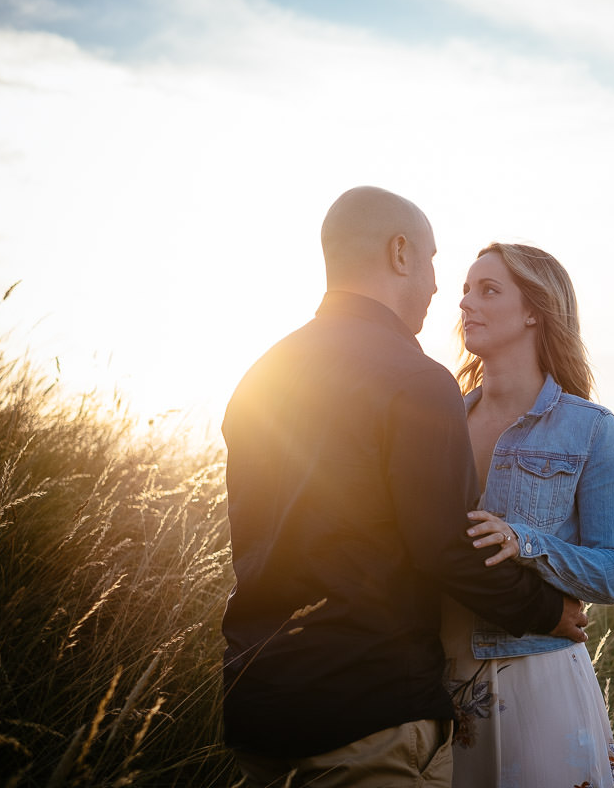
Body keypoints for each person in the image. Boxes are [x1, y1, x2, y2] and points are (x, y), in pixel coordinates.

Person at [219, 188, 589, 788]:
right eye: (433, 261)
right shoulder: (416, 378)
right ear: (399, 253)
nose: (441, 287)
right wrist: (546, 610)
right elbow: (444, 544)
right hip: (370, 712)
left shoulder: (262, 374)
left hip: (258, 705)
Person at [442, 242, 614, 787]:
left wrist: (525, 541)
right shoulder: (440, 418)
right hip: (433, 676)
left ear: (534, 310)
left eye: (487, 290)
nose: (465, 303)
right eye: (464, 290)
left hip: (537, 679)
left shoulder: (591, 429)